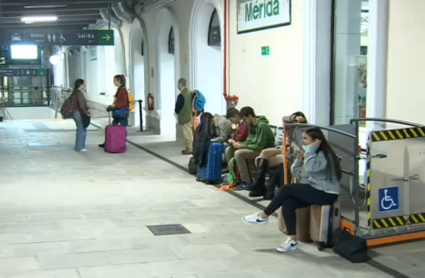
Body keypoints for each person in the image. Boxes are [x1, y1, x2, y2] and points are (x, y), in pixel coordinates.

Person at [242, 127, 342, 253]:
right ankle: (292, 240)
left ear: (316, 141)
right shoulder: (313, 155)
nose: (303, 141)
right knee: (288, 202)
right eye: (302, 138)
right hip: (316, 190)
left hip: (326, 194)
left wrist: (310, 151)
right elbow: (298, 174)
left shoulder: (323, 155)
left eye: (305, 139)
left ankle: (264, 215)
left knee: (287, 189)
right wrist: (300, 160)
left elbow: (312, 169)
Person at [249, 112, 308, 197]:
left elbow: (299, 147)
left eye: (299, 121)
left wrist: (288, 148)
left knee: (268, 160)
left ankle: (262, 186)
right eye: (295, 121)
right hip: (284, 148)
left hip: (292, 154)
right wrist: (294, 117)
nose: (297, 123)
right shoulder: (290, 128)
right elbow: (284, 118)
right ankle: (261, 185)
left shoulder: (304, 132)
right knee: (264, 153)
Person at [227, 106, 275, 187]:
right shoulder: (251, 125)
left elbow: (259, 145)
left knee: (239, 153)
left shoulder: (262, 126)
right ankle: (234, 177)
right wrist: (238, 144)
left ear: (250, 116)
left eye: (245, 119)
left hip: (265, 150)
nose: (244, 122)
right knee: (229, 150)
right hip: (256, 147)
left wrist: (241, 145)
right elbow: (250, 141)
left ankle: (246, 181)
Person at [99, 74, 129, 148]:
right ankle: (110, 142)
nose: (113, 82)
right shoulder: (119, 89)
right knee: (113, 126)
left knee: (122, 128)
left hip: (121, 113)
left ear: (119, 81)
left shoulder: (123, 90)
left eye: (114, 81)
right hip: (118, 112)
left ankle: (120, 143)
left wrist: (115, 105)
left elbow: (124, 102)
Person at [175, 78, 193, 155]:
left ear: (180, 85)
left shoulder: (182, 95)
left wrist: (177, 111)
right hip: (190, 115)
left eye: (178, 84)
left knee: (187, 133)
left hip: (185, 116)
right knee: (189, 132)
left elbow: (178, 106)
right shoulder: (189, 92)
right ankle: (188, 147)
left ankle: (190, 148)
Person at [72, 79, 90, 152]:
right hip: (79, 113)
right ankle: (79, 147)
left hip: (75, 113)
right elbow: (82, 105)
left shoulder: (75, 93)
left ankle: (80, 146)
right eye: (83, 84)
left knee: (80, 128)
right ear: (80, 85)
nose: (84, 85)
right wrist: (86, 112)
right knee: (81, 129)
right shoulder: (79, 93)